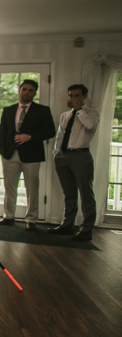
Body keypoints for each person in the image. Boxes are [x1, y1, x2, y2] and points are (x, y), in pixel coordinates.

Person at [0, 79, 56, 230]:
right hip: (10, 154)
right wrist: (2, 150)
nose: (27, 92)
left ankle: (31, 220)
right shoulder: (9, 110)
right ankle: (9, 216)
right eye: (24, 89)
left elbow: (50, 131)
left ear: (34, 93)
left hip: (32, 155)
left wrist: (30, 137)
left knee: (32, 188)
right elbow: (3, 131)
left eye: (30, 90)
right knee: (9, 187)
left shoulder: (42, 110)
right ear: (19, 90)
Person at [49, 84, 99, 241]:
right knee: (69, 193)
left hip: (81, 157)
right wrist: (56, 154)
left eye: (77, 96)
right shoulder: (65, 115)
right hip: (63, 157)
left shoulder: (91, 114)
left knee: (86, 194)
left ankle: (86, 230)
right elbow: (60, 136)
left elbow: (90, 126)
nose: (73, 98)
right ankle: (67, 225)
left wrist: (79, 110)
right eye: (71, 95)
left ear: (85, 96)